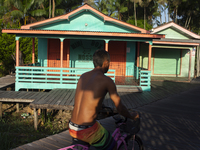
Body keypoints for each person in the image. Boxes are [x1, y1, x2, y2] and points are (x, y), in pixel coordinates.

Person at [69, 49, 139, 150]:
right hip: (86, 130)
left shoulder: (83, 76)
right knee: (113, 145)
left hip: (72, 126)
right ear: (105, 62)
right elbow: (120, 108)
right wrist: (131, 116)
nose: (109, 65)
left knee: (98, 127)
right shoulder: (107, 81)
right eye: (109, 62)